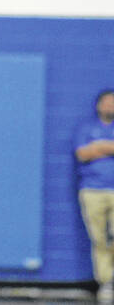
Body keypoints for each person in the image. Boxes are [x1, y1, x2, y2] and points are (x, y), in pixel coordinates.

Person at [74, 89, 114, 303]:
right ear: (99, 105)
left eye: (113, 103)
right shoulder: (86, 128)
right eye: (106, 103)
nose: (109, 107)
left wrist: (99, 147)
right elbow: (82, 154)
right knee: (99, 239)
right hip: (92, 191)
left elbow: (92, 151)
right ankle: (106, 282)